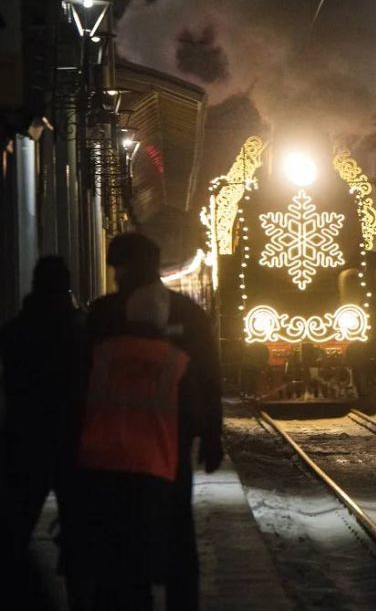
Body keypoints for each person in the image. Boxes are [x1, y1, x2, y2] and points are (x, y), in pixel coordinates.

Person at [62, 233, 223, 610]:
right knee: (178, 534)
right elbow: (208, 377)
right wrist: (210, 433)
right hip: (169, 445)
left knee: (118, 540)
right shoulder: (189, 314)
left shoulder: (102, 314)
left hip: (107, 453)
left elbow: (79, 383)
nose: (118, 276)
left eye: (119, 268)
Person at [0, 257, 80, 607]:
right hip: (72, 442)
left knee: (16, 527)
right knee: (78, 530)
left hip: (24, 439)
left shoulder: (13, 333)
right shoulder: (78, 335)